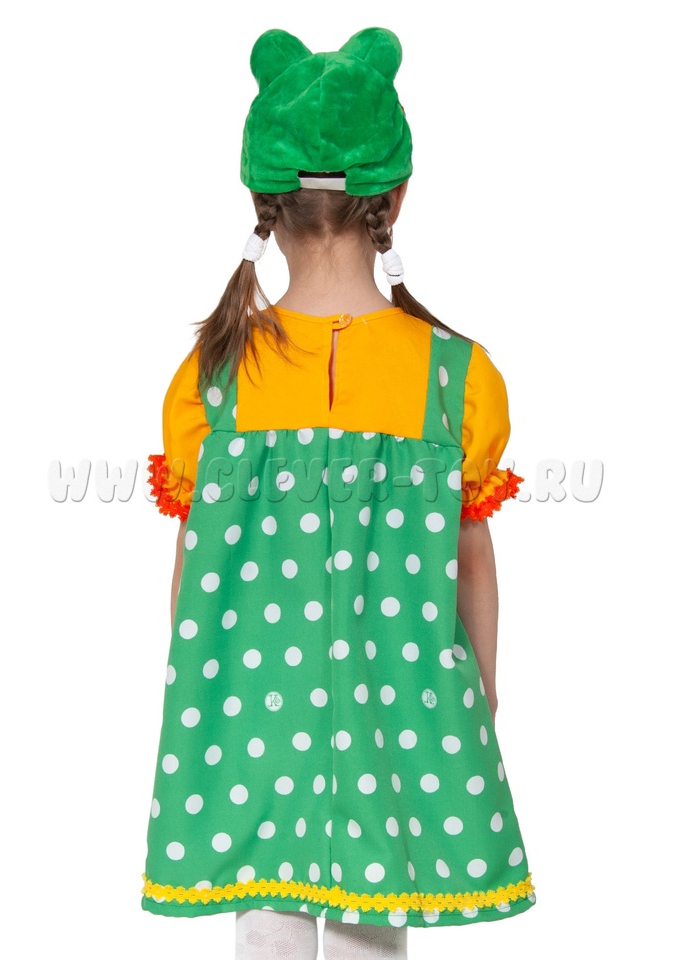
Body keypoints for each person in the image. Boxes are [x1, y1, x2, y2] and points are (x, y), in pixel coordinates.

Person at [141, 27, 535, 959]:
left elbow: (191, 581)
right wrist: (476, 698)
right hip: (398, 714)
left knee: (265, 936)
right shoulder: (456, 377)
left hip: (248, 723)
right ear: (395, 195)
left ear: (262, 199)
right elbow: (473, 567)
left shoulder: (214, 379)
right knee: (374, 934)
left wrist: (203, 707)